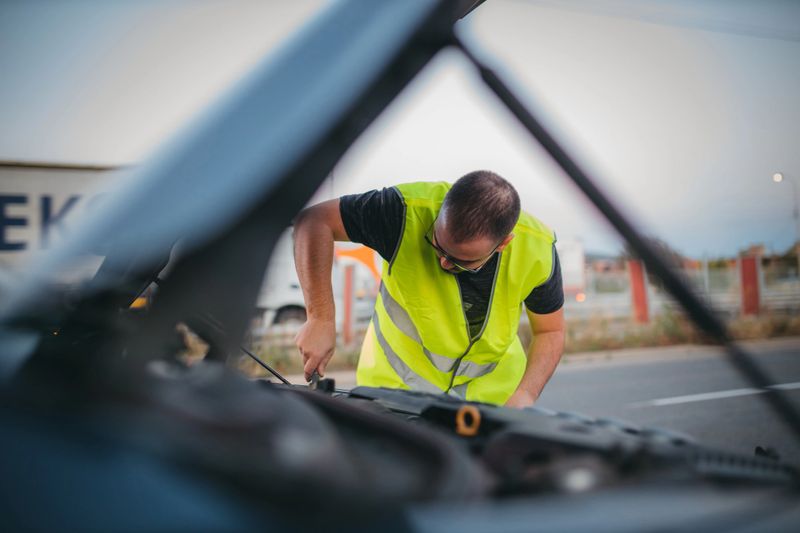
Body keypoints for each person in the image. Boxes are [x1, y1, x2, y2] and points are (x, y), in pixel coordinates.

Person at [292, 170, 565, 408]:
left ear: (503, 243)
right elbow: (314, 221)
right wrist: (320, 318)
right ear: (443, 208)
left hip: (491, 404)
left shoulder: (537, 250)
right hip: (394, 396)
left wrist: (526, 394)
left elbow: (550, 331)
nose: (444, 262)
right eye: (437, 244)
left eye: (462, 261)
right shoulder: (403, 212)